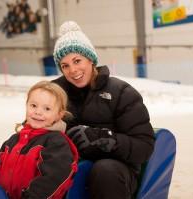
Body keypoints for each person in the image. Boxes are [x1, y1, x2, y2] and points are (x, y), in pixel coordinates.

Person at [52, 21, 155, 199]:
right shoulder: (55, 93)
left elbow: (144, 146)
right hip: (71, 165)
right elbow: (34, 123)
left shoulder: (121, 92)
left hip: (116, 170)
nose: (73, 70)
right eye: (65, 65)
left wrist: (106, 138)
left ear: (90, 59)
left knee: (104, 170)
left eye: (77, 61)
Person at [0, 81, 78, 199]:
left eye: (47, 109)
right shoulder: (14, 139)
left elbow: (53, 178)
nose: (38, 112)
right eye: (33, 105)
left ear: (59, 115)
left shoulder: (56, 142)